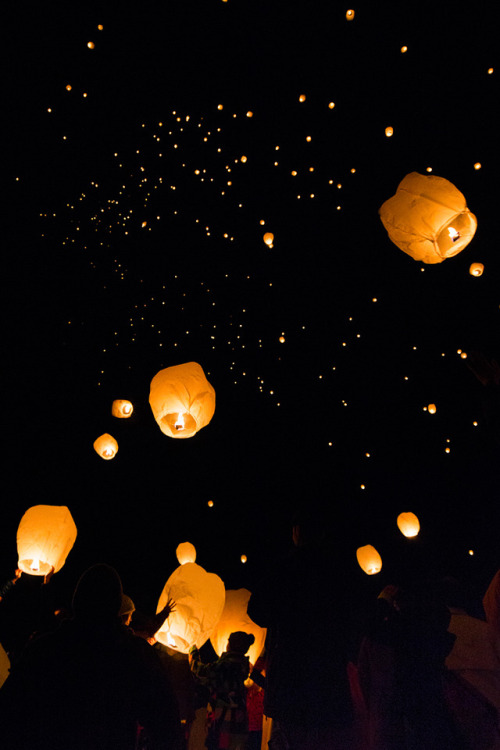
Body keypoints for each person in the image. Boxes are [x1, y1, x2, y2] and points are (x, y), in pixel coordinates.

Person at [0, 563, 182, 750]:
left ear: (76, 601)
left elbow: (9, 710)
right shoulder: (134, 655)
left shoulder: (44, 649)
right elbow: (167, 724)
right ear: (117, 606)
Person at [247, 505, 356, 750]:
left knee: (288, 740)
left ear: (296, 532)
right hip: (329, 680)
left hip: (290, 679)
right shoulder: (340, 571)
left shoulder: (285, 567)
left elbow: (257, 611)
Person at [189, 631, 255, 750]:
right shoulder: (243, 664)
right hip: (239, 715)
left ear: (230, 644)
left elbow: (200, 670)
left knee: (220, 745)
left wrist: (193, 654)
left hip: (225, 716)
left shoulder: (226, 664)